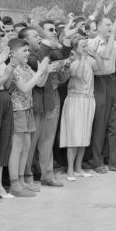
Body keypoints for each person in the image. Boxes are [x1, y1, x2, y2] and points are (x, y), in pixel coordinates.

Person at [21, 19, 75, 188]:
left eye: (39, 35)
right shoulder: (27, 55)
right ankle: (26, 176)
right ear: (26, 40)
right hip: (34, 104)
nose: (39, 38)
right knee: (30, 143)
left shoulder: (46, 50)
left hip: (50, 100)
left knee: (48, 140)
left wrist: (66, 40)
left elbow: (62, 55)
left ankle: (47, 175)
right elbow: (38, 61)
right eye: (36, 35)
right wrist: (46, 42)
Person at [59, 34, 108, 181]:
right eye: (83, 46)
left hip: (88, 100)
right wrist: (80, 58)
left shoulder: (88, 60)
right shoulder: (72, 60)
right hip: (75, 100)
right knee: (74, 136)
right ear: (75, 47)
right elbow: (78, 75)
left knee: (84, 135)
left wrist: (95, 55)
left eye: (86, 45)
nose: (86, 48)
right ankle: (70, 169)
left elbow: (101, 67)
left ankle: (79, 167)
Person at [7, 38, 51, 197]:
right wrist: (39, 72)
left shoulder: (25, 66)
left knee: (26, 145)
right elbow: (25, 88)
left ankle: (21, 180)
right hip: (16, 110)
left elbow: (39, 83)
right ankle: (14, 184)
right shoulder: (13, 69)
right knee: (17, 146)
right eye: (24, 51)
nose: (28, 53)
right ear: (13, 53)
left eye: (28, 50)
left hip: (27, 109)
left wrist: (44, 71)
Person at [85, 16, 116, 173]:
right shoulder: (91, 43)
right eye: (108, 25)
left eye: (111, 25)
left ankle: (115, 160)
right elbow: (105, 56)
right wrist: (114, 32)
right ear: (99, 27)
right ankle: (97, 160)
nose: (111, 27)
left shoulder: (114, 42)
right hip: (99, 82)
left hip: (113, 81)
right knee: (99, 123)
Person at [0, 25, 15, 200]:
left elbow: (6, 84)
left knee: (3, 143)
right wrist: (2, 68)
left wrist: (9, 70)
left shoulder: (0, 56)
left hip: (4, 98)